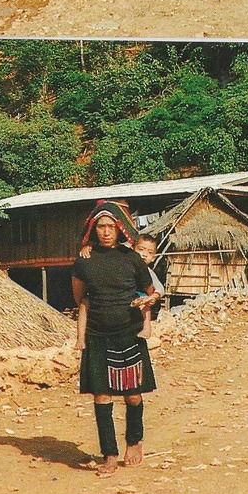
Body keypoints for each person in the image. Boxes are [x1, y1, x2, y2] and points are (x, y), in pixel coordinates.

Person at [73, 202, 160, 475]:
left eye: (111, 226)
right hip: (98, 335)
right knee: (101, 396)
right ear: (94, 229)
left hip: (129, 335)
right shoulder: (83, 260)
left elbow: (150, 290)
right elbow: (79, 298)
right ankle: (109, 454)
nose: (106, 231)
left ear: (119, 228)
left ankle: (134, 440)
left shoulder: (132, 258)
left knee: (133, 396)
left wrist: (150, 300)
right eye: (101, 226)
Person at [132, 234, 167, 337]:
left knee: (144, 301)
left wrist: (154, 296)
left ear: (153, 258)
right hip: (123, 297)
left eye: (150, 252)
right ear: (132, 250)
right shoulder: (124, 266)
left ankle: (146, 329)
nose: (144, 254)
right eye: (141, 249)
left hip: (138, 297)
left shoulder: (149, 272)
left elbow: (160, 288)